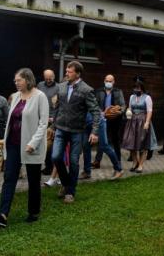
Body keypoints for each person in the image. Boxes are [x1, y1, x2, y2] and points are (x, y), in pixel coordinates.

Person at [0, 68, 49, 228]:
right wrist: (4, 139)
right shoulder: (15, 97)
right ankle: (2, 215)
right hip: (13, 144)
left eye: (19, 80)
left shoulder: (40, 97)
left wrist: (33, 143)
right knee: (9, 178)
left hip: (31, 146)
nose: (16, 83)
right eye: (15, 81)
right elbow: (11, 121)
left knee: (34, 180)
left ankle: (33, 212)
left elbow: (43, 123)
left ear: (28, 80)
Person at [51, 61, 100, 204]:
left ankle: (70, 192)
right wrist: (53, 126)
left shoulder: (86, 90)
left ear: (78, 74)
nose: (66, 73)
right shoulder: (61, 87)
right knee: (55, 157)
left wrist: (95, 132)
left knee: (73, 161)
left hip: (77, 131)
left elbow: (96, 112)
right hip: (60, 128)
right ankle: (66, 184)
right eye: (66, 70)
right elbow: (57, 108)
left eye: (69, 71)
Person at [92, 74, 126, 167]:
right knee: (102, 140)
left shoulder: (118, 92)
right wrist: (101, 113)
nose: (108, 83)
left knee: (115, 140)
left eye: (110, 81)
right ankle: (97, 162)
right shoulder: (99, 92)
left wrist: (119, 112)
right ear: (104, 81)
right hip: (103, 118)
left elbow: (123, 105)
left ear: (113, 82)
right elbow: (95, 104)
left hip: (115, 119)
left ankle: (118, 160)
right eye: (107, 81)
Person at [121, 77, 154, 173]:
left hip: (142, 121)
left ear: (142, 88)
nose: (136, 90)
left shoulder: (147, 97)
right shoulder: (132, 97)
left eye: (138, 88)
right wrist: (128, 110)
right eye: (135, 88)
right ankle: (135, 162)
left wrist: (147, 122)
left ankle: (140, 165)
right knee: (131, 143)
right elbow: (130, 107)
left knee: (143, 144)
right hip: (132, 121)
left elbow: (149, 111)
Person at [37, 69, 61, 187]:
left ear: (54, 76)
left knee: (50, 144)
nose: (48, 80)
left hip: (52, 119)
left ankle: (51, 167)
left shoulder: (58, 87)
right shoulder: (40, 85)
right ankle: (47, 166)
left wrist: (53, 119)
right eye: (46, 78)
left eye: (50, 78)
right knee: (43, 144)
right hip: (41, 118)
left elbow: (58, 104)